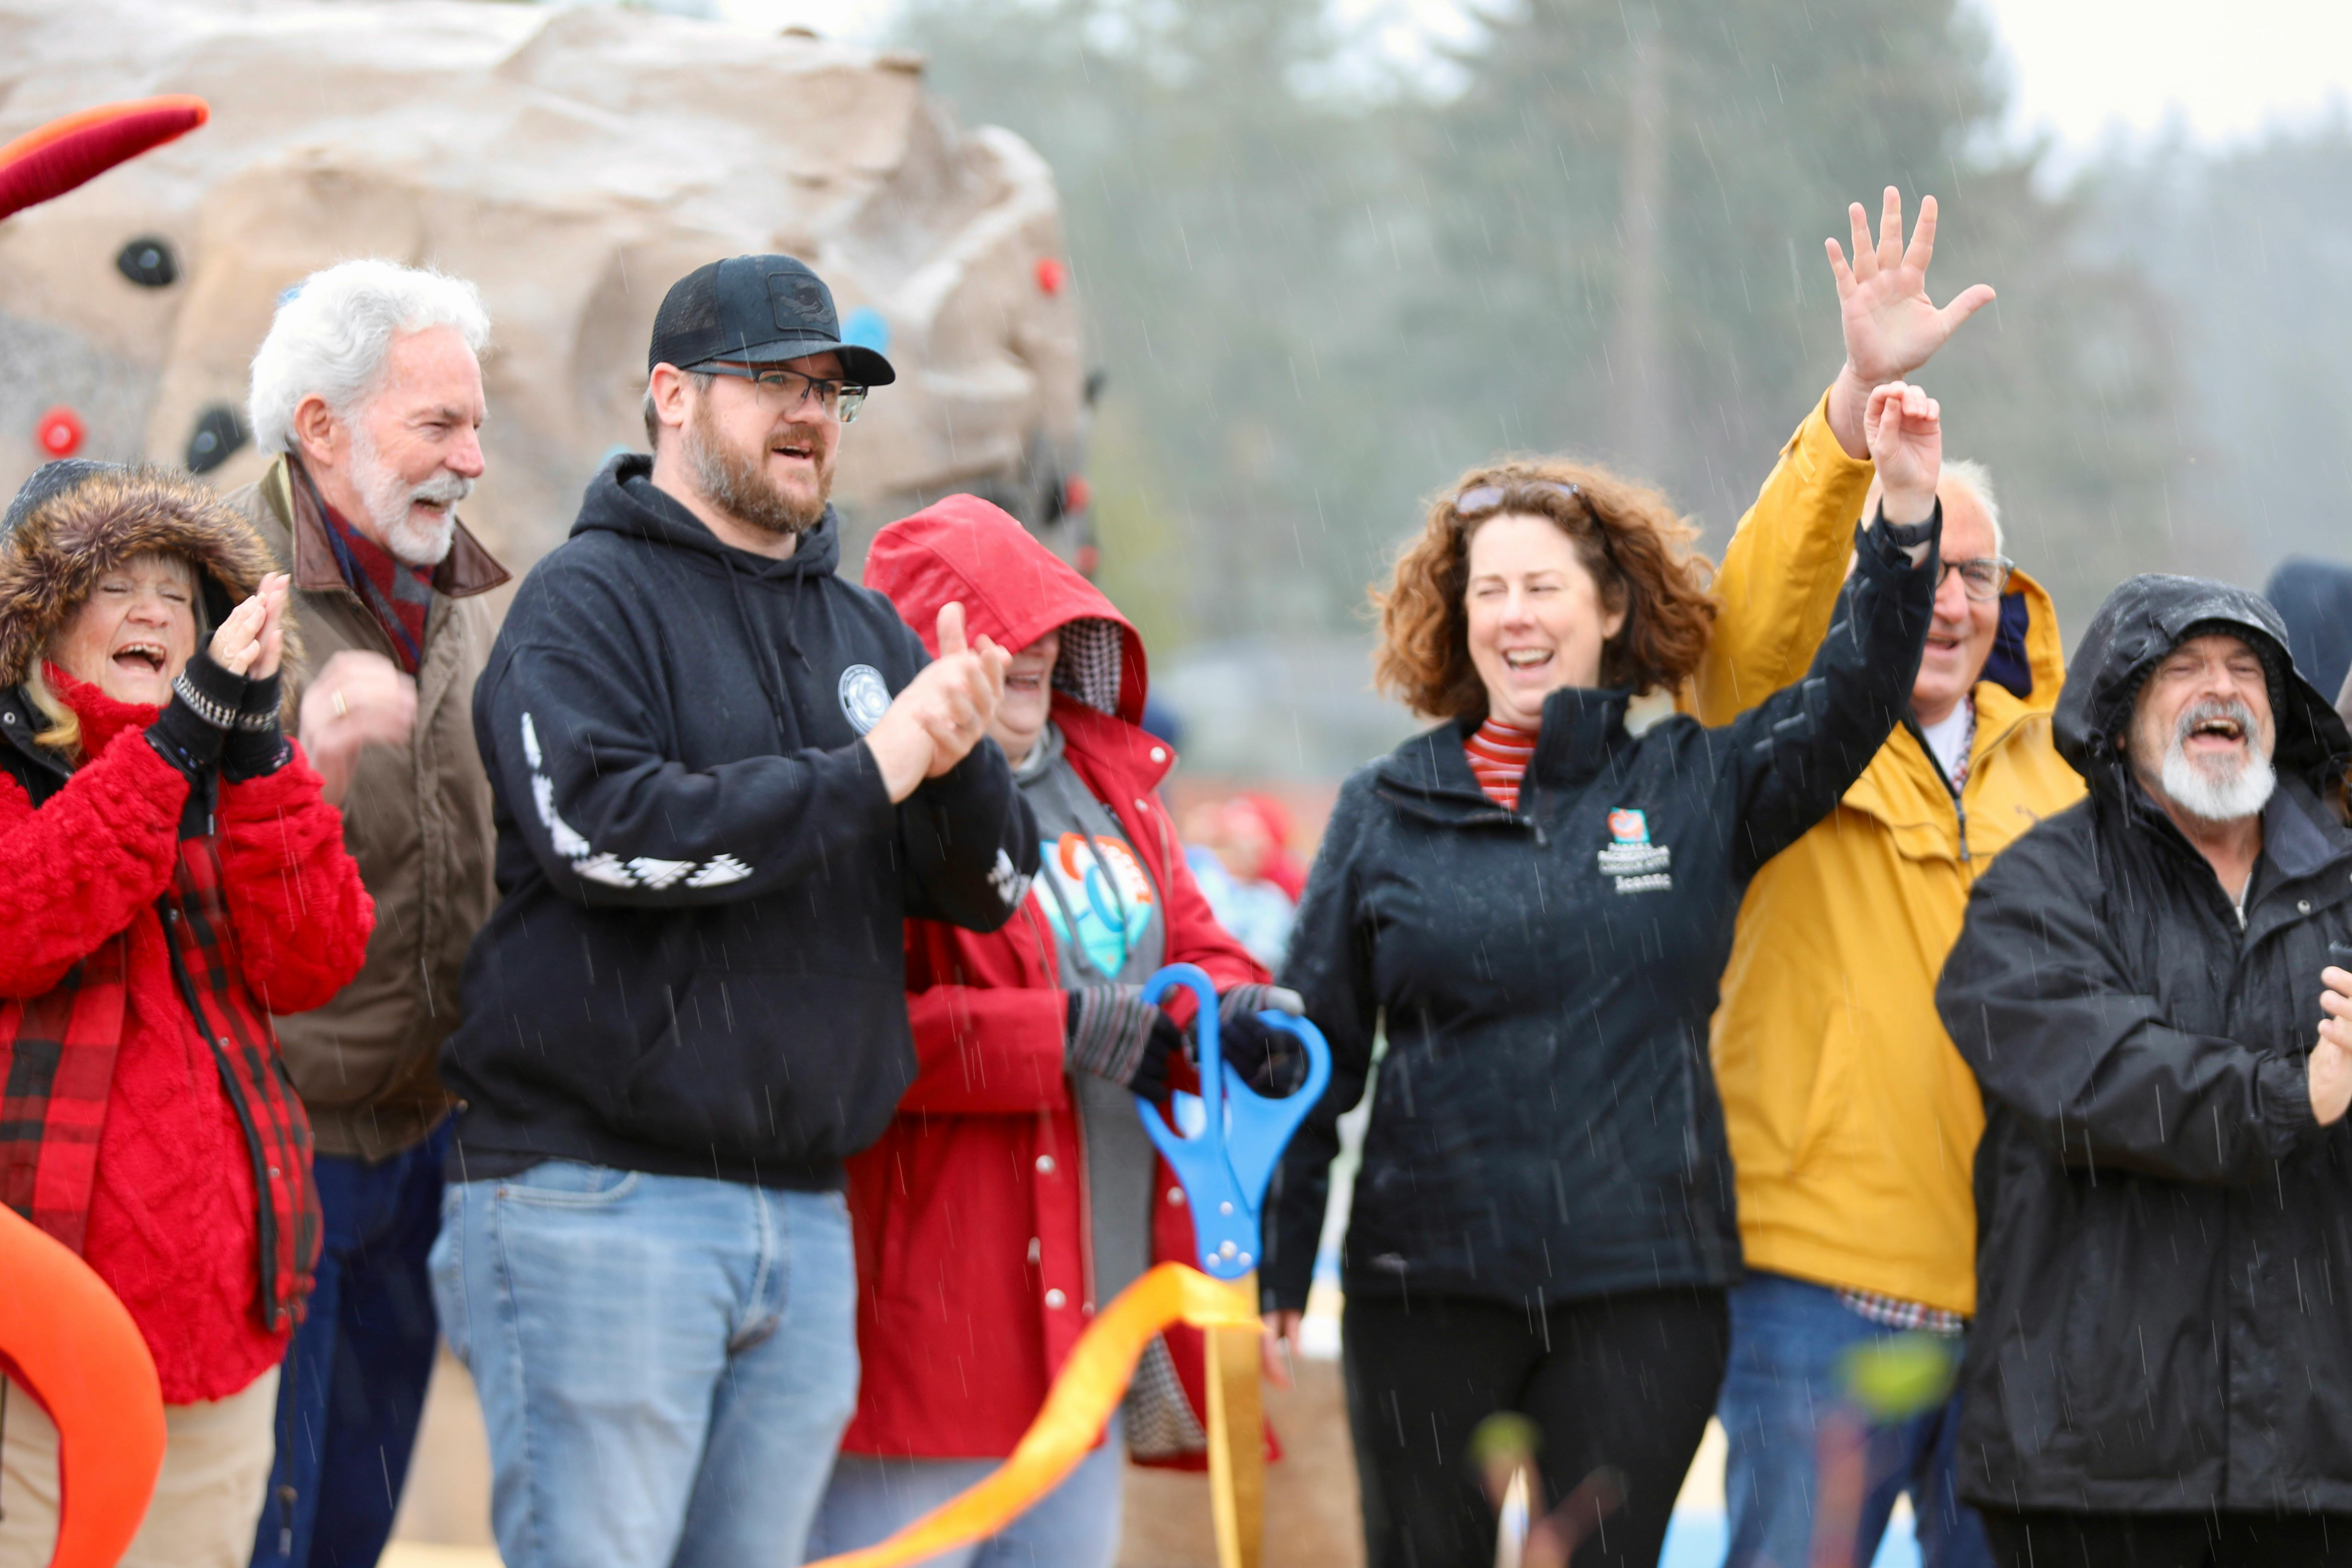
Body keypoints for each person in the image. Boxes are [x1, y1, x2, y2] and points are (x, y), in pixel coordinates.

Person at [1261, 383, 1944, 1568]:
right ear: (1455, 617)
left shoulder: (1692, 785)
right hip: (1426, 1284)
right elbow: (1307, 1054)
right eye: (1488, 591)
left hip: (1644, 1284)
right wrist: (1278, 1255)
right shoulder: (1382, 810)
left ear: (1610, 608)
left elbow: (1855, 696)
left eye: (1542, 589)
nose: (1514, 618)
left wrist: (1902, 506)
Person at [430, 255, 1040, 1568]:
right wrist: (869, 771)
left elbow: (989, 894)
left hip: (805, 1221)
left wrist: (959, 758)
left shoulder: (864, 631)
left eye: (829, 389)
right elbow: (605, 837)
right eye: (770, 381)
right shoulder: (582, 603)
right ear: (670, 396)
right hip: (594, 1202)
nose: (808, 412)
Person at [1693, 190, 2075, 1568]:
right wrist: (1858, 400)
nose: (1947, 600)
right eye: (1921, 564)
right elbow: (1756, 615)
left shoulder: (2073, 777)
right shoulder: (1775, 745)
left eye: (1974, 574)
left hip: (2026, 1301)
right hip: (1817, 1289)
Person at [812, 494, 1290, 1567]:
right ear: (917, 651)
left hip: (1097, 1327)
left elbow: (1197, 946)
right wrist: (1065, 1034)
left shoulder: (1113, 788)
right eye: (993, 629)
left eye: (1045, 628)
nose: (1029, 652)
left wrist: (1240, 1007)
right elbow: (845, 1038)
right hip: (933, 1338)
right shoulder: (870, 803)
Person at [0, 461, 373, 1568]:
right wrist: (170, 750)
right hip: (31, 1351)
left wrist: (254, 747)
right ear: (40, 623)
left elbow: (316, 958)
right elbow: (22, 919)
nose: (156, 610)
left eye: (177, 589)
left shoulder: (230, 772)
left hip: (225, 1338)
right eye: (117, 586)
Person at [1938, 578, 2352, 1568]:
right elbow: (2099, 1082)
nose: (2222, 690)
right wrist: (2298, 1097)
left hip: (2318, 1463)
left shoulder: (2344, 884)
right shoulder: (2040, 884)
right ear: (2119, 718)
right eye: (2185, 669)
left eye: (2246, 670)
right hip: (2092, 1463)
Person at [228, 259, 510, 1568]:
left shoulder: (457, 592)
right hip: (279, 1149)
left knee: (354, 1525)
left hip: (424, 1146)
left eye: (477, 421)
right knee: (266, 1528)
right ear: (321, 430)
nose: (473, 457)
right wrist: (290, 743)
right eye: (438, 425)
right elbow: (140, 843)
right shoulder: (217, 595)